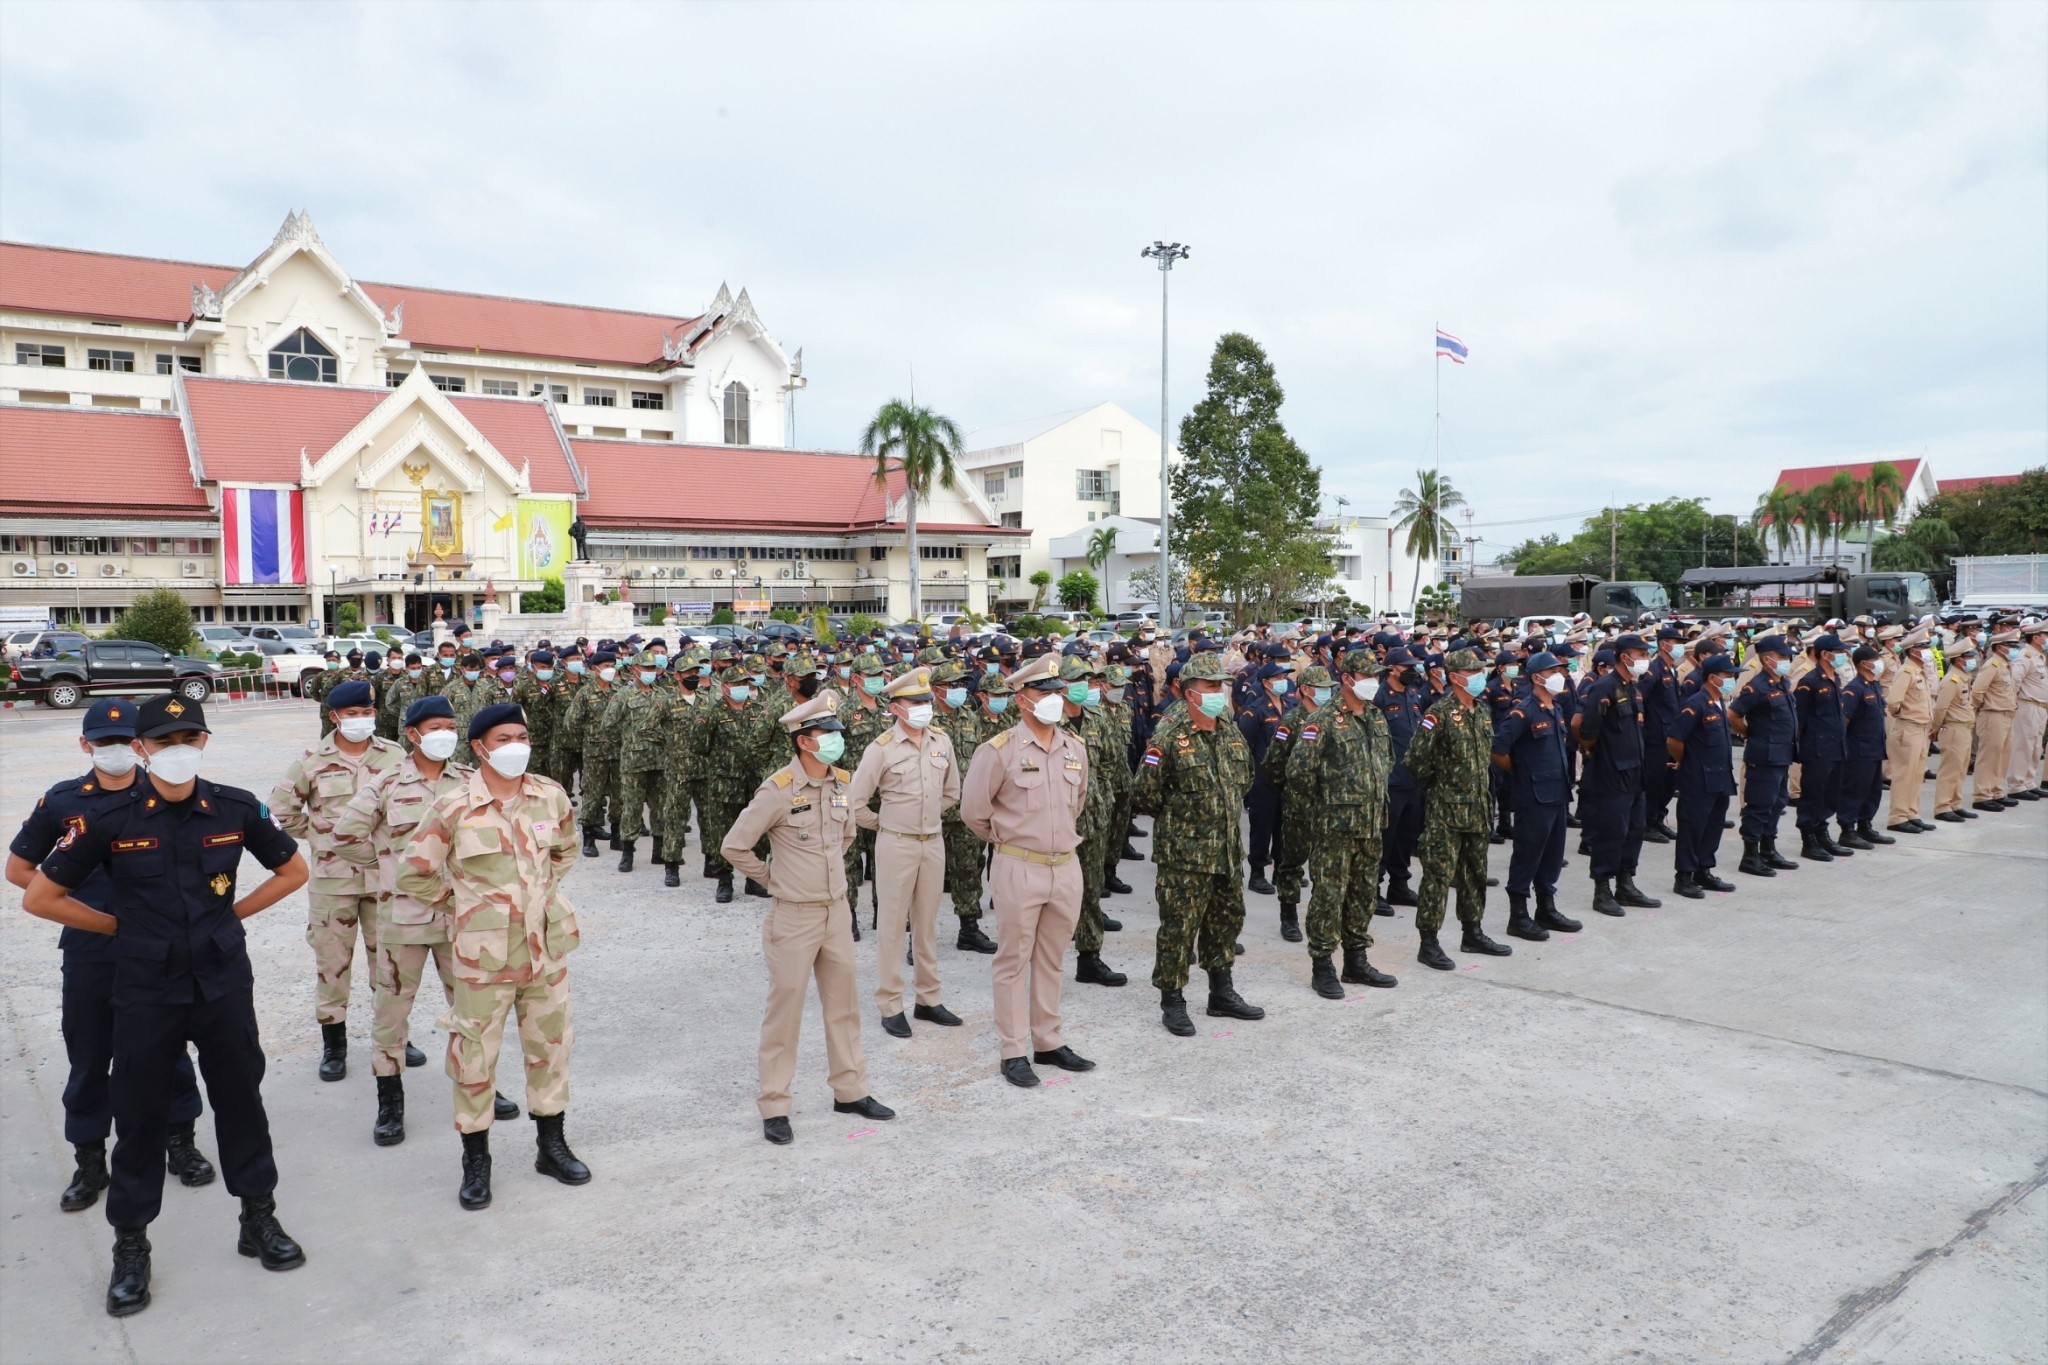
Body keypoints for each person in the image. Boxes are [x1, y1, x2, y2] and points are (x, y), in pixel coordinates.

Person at [23, 694, 310, 1318]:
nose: (178, 751)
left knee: (241, 1100)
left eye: (191, 738)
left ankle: (258, 1218)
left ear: (203, 743)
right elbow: (40, 894)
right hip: (146, 988)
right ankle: (132, 1245)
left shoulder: (234, 806)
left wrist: (232, 916)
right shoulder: (107, 817)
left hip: (221, 982)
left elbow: (293, 871)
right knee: (140, 1114)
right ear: (144, 748)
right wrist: (115, 928)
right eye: (166, 740)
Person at [6, 701, 213, 1215]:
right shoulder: (64, 802)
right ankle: (90, 1158)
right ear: (86, 746)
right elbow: (18, 869)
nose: (116, 752)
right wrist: (79, 908)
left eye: (125, 741)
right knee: (91, 1051)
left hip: (160, 951)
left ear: (142, 744)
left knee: (168, 1048)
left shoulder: (167, 794)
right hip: (92, 951)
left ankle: (180, 1142)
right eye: (104, 743)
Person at [395, 703, 589, 1211]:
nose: (516, 746)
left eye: (522, 736)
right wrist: (465, 905)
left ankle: (552, 1146)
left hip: (545, 951)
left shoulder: (549, 795)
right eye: (504, 738)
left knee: (550, 1049)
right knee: (474, 1059)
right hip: (483, 958)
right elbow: (414, 872)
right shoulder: (454, 806)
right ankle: (476, 1162)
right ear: (480, 748)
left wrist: (538, 897)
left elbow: (566, 850)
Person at [330, 695, 514, 1148]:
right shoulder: (386, 783)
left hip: (461, 917)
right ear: (412, 735)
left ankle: (480, 1084)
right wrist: (389, 866)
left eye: (451, 726)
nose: (445, 735)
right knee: (391, 1013)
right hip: (404, 919)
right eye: (435, 727)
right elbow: (345, 836)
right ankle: (389, 1102)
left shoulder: (472, 781)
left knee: (473, 1010)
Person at [722, 690, 896, 1142]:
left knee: (845, 1008)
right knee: (785, 1012)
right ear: (804, 741)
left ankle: (850, 1091)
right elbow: (735, 846)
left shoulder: (841, 782)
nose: (837, 740)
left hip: (835, 912)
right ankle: (775, 1106)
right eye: (827, 734)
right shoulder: (778, 790)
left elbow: (847, 836)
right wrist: (774, 880)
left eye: (836, 732)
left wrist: (826, 873)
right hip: (793, 916)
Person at [961, 653, 1096, 1086]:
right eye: (1044, 692)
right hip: (1020, 865)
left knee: (1052, 959)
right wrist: (1012, 840)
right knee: (1013, 961)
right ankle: (1013, 1050)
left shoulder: (1076, 748)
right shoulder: (998, 751)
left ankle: (1049, 1041)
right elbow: (974, 813)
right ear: (1022, 699)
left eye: (1058, 691)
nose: (1054, 699)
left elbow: (1077, 805)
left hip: (1065, 867)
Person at [269, 680, 406, 1080]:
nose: (361, 720)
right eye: (352, 714)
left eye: (366, 713)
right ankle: (334, 1045)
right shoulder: (311, 761)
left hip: (384, 877)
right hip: (333, 881)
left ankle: (395, 1038)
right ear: (334, 717)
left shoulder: (395, 756)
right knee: (333, 964)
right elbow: (280, 811)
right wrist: (322, 836)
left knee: (392, 964)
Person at [1132, 650, 1263, 1035]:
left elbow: (1245, 776)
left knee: (1226, 922)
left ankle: (1221, 993)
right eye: (1211, 687)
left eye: (1222, 686)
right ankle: (1172, 1000)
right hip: (1185, 855)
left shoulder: (1227, 727)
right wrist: (1183, 821)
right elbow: (1145, 795)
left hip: (1225, 848)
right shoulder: (1169, 736)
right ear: (1190, 694)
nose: (1220, 692)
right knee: (1178, 928)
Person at [850, 666, 963, 1038]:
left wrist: (926, 817)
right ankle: (890, 1003)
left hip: (932, 843)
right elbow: (856, 803)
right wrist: (885, 824)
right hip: (895, 843)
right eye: (915, 703)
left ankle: (928, 999)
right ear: (896, 708)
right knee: (893, 926)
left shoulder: (941, 741)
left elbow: (951, 792)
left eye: (926, 701)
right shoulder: (880, 748)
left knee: (928, 924)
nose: (924, 708)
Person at [1285, 649, 1399, 997]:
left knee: (1363, 894)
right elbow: (1298, 772)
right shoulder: (1322, 719)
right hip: (1335, 828)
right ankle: (1322, 966)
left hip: (1371, 823)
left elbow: (1387, 761)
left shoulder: (1376, 717)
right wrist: (1323, 811)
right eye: (1368, 677)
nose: (1374, 683)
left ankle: (1356, 961)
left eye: (1377, 676)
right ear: (1348, 679)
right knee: (1328, 897)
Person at [1406, 648, 1513, 968]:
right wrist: (1440, 789)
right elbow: (1415, 761)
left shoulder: (1481, 710)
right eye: (1474, 671)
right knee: (1437, 877)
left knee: (1475, 874)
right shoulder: (1437, 714)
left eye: (1482, 670)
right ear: (1455, 677)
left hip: (1478, 808)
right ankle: (1429, 942)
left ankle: (1472, 932)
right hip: (1446, 812)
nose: (1481, 676)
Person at [1490, 651, 1581, 937]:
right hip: (1533, 796)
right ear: (1537, 677)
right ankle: (1518, 916)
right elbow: (1498, 750)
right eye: (1553, 671)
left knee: (1552, 856)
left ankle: (1546, 908)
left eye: (1560, 670)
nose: (1560, 675)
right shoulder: (1523, 710)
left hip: (1556, 793)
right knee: (1527, 855)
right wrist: (1522, 773)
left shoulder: (1553, 707)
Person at [1574, 633, 1662, 916]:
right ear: (1624, 656)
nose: (1644, 659)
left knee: (1635, 829)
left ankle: (1626, 883)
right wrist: (1599, 755)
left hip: (1636, 772)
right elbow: (1586, 730)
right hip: (1611, 773)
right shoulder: (1604, 687)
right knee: (1611, 831)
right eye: (1640, 654)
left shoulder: (1633, 689)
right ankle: (1602, 890)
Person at [1666, 656, 1742, 898]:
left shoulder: (1719, 701)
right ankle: (1684, 876)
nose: (1732, 680)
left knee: (1713, 825)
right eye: (1728, 676)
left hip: (1720, 775)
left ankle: (1704, 869)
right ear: (1713, 678)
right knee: (1692, 826)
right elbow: (1674, 740)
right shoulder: (1696, 703)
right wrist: (1685, 762)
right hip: (1698, 777)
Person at [1729, 634, 1802, 876]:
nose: (1786, 660)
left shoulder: (1781, 682)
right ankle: (1750, 856)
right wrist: (1749, 733)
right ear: (1768, 659)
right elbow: (1733, 715)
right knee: (1759, 806)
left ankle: (1768, 849)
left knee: (1776, 803)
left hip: (1782, 753)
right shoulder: (1756, 686)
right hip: (1764, 754)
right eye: (1782, 656)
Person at [1791, 633, 1862, 860]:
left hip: (1837, 747)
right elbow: (1799, 720)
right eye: (1839, 652)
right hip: (1817, 749)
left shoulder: (1836, 679)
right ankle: (1809, 840)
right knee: (1813, 794)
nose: (1843, 655)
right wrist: (1799, 750)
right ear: (1825, 654)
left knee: (1831, 794)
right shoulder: (1809, 682)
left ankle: (1822, 833)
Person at [1839, 647, 1896, 849]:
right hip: (1858, 750)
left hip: (1874, 748)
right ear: (1864, 663)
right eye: (1876, 660)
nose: (1879, 663)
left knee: (1872, 791)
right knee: (1855, 790)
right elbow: (1844, 720)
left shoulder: (1874, 685)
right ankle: (1847, 830)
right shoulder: (1854, 689)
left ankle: (1865, 825)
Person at [1883, 626, 1937, 834]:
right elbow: (1894, 701)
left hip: (1921, 729)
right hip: (1908, 728)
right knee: (1904, 774)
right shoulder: (1906, 672)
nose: (1927, 651)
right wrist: (1904, 717)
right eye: (1924, 647)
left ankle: (1911, 813)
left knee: (1916, 775)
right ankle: (1897, 817)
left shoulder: (1918, 671)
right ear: (1913, 650)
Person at [1930, 637, 1981, 822]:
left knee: (1960, 769)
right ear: (1959, 660)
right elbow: (1940, 708)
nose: (1972, 660)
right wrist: (1935, 729)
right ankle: (1943, 807)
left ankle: (1955, 804)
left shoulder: (1962, 678)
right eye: (1969, 657)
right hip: (1953, 729)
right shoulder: (1951, 681)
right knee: (1950, 770)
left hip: (1964, 729)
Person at [1973, 631, 2022, 811]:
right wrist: (1982, 708)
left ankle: (1996, 791)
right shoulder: (1992, 665)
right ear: (2000, 647)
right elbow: (1977, 691)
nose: (2014, 649)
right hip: (1992, 714)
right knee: (1989, 756)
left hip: (2006, 714)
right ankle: (1982, 795)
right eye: (2011, 646)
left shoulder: (2005, 664)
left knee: (2002, 756)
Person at [2011, 623, 2048, 798]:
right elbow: (2014, 681)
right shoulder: (2025, 656)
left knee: (2035, 747)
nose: (2047, 639)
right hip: (2028, 705)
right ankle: (2017, 785)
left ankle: (2028, 781)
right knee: (2023, 746)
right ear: (2036, 637)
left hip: (2040, 707)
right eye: (2045, 635)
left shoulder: (2038, 656)